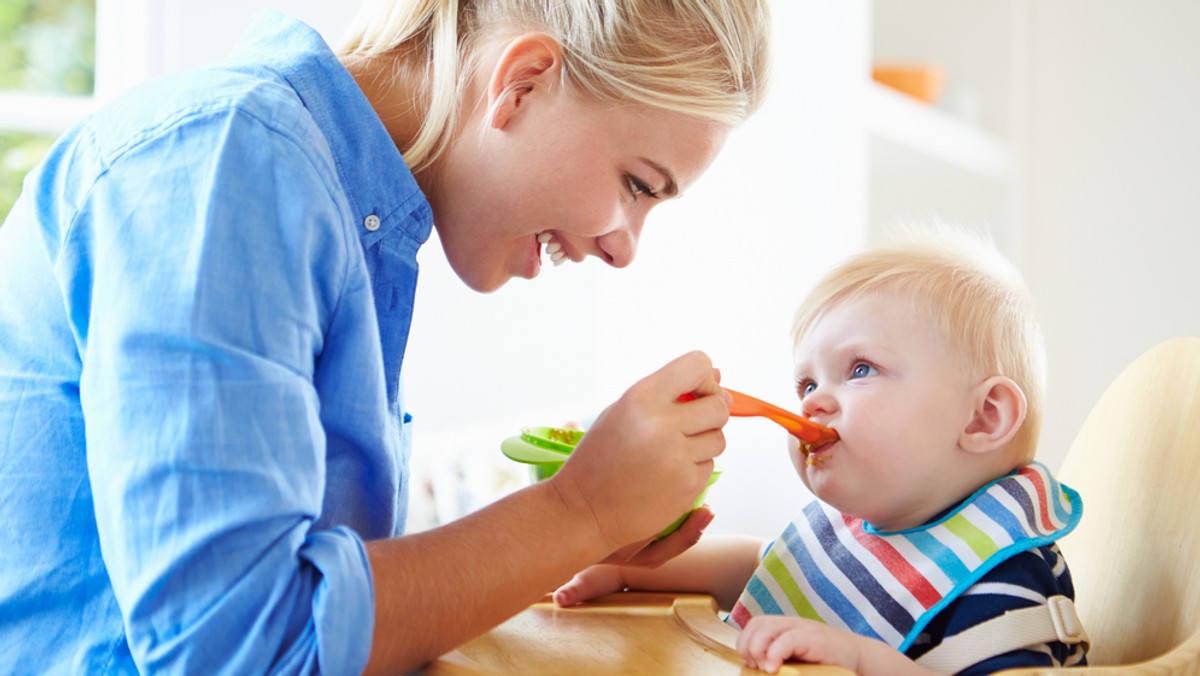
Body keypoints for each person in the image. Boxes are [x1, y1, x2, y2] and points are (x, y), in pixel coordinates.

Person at [0, 1, 769, 673]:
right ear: (523, 82)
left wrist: (558, 543)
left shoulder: (330, 200)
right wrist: (576, 512)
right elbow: (241, 650)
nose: (623, 246)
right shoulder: (227, 161)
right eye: (639, 184)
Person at [553, 225, 1088, 675]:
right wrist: (632, 571)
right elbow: (766, 565)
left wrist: (858, 662)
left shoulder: (1000, 576)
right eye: (806, 385)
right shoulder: (867, 524)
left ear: (983, 417)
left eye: (860, 370)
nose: (813, 404)